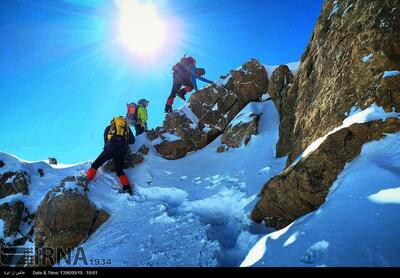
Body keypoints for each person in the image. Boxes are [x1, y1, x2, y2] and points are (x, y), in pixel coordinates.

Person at [86, 116, 135, 195]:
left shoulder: (109, 127)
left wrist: (107, 148)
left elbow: (106, 139)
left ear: (113, 122)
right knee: (119, 170)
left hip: (110, 147)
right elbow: (132, 141)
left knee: (96, 164)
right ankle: (127, 189)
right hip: (121, 150)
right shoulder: (126, 128)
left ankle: (87, 179)